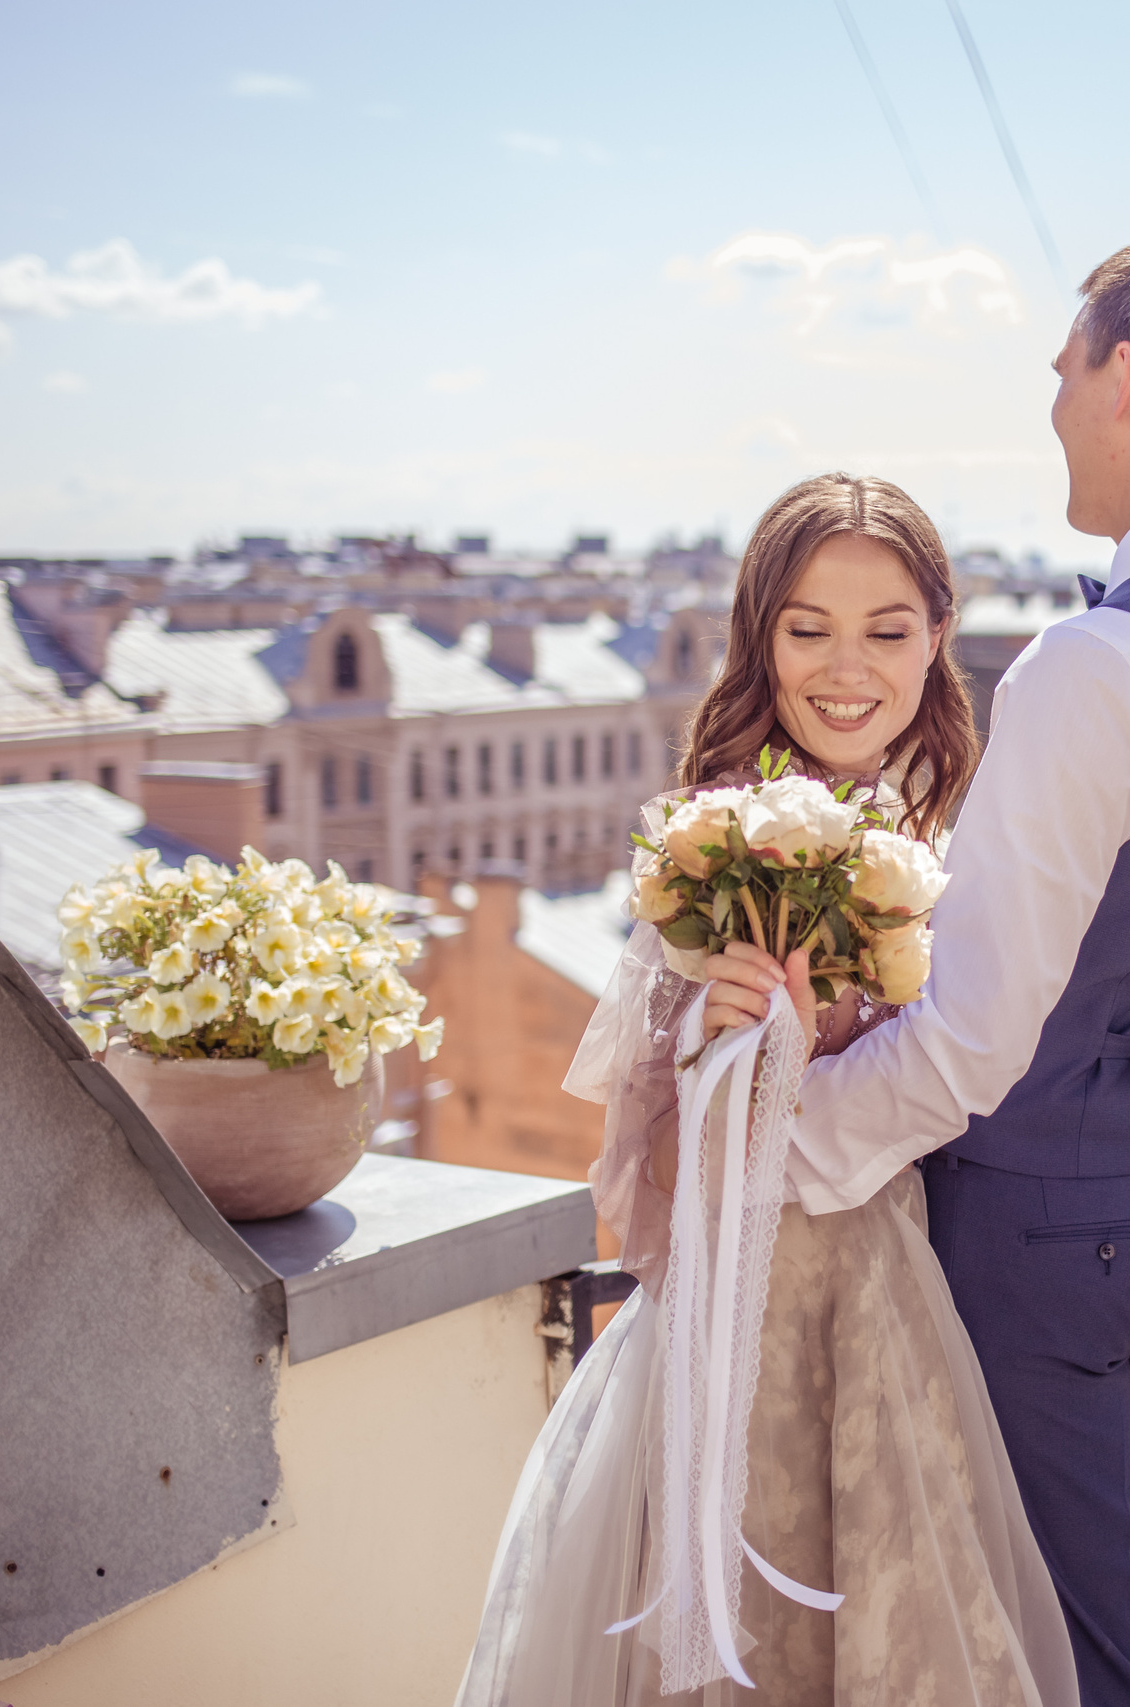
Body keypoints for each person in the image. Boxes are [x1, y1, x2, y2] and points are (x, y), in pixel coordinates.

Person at [706, 229, 1130, 1706]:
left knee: (1058, 1641)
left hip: (1050, 1227)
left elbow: (975, 1034)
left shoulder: (1104, 660)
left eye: (1066, 365)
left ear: (1126, 376)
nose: (1053, 397)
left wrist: (790, 1142)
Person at [456, 473, 1079, 1707]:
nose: (846, 668)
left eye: (887, 631)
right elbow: (656, 1188)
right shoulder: (713, 856)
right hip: (732, 1343)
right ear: (760, 639)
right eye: (807, 629)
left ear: (938, 638)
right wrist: (733, 1057)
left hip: (890, 1318)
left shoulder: (955, 837)